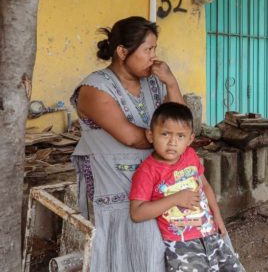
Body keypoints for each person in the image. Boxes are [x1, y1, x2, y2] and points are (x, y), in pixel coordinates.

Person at [71, 16, 184, 271]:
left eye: (154, 49)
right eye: (147, 50)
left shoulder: (153, 81)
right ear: (122, 52)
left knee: (196, 221)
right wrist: (173, 139)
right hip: (115, 184)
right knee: (149, 239)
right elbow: (131, 138)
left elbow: (180, 123)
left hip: (155, 177)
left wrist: (172, 82)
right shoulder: (94, 88)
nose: (153, 57)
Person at [129, 102, 245, 271]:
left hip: (210, 233)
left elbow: (204, 186)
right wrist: (176, 199)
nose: (172, 142)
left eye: (180, 136)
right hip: (181, 245)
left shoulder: (190, 156)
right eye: (165, 134)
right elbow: (137, 213)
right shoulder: (147, 171)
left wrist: (217, 217)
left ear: (190, 139)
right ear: (150, 135)